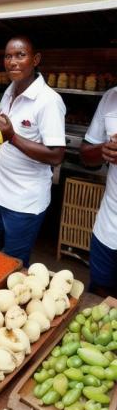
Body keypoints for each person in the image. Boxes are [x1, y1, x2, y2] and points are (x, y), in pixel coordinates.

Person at [0, 36, 66, 267]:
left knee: (14, 262)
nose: (13, 62)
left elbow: (56, 155)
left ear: (35, 59)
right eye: (8, 56)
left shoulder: (48, 101)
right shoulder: (9, 91)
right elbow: (4, 133)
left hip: (26, 200)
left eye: (20, 55)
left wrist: (13, 137)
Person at [80, 87, 117, 298]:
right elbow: (86, 156)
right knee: (98, 300)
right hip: (108, 227)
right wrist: (104, 150)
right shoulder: (111, 97)